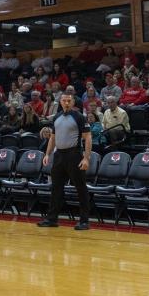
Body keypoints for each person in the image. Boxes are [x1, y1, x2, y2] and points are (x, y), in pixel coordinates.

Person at [38, 94, 91, 231]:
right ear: (60, 102)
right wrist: (47, 154)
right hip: (59, 155)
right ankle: (52, 219)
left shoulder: (79, 117)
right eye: (64, 100)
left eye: (69, 100)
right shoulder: (57, 117)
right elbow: (53, 138)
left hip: (74, 155)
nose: (66, 102)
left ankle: (84, 221)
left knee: (81, 188)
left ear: (73, 102)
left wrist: (86, 158)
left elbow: (88, 137)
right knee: (56, 188)